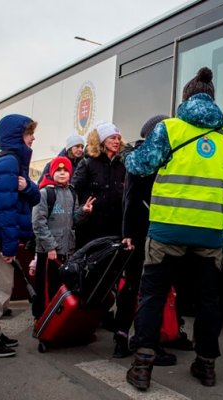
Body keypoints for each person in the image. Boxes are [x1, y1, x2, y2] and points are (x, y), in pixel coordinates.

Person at [124, 67, 223, 390]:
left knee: (152, 294)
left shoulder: (169, 129)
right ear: (212, 99)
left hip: (166, 231)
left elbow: (139, 165)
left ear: (186, 98)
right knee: (209, 300)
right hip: (209, 233)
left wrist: (129, 152)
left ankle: (142, 367)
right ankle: (206, 365)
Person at [114, 114, 190, 365]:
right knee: (139, 285)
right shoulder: (141, 157)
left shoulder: (163, 154)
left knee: (164, 285)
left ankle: (167, 333)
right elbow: (130, 199)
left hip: (160, 230)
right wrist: (128, 234)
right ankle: (124, 337)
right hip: (141, 232)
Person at [0, 114, 41, 358]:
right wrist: (9, 246)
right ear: (16, 136)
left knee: (4, 287)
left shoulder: (14, 162)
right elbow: (5, 210)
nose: (33, 137)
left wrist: (27, 187)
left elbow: (34, 197)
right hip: (0, 238)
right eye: (29, 133)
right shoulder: (8, 163)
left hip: (3, 237)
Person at [31, 156, 94, 319]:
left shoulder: (72, 192)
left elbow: (74, 219)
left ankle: (57, 322)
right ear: (52, 172)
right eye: (58, 170)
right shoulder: (45, 193)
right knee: (45, 290)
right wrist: (50, 247)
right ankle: (42, 321)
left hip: (67, 251)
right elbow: (38, 223)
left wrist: (83, 212)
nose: (62, 173)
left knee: (60, 288)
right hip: (49, 253)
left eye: (65, 170)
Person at [71, 121, 126, 249]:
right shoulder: (87, 163)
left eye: (118, 138)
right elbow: (73, 192)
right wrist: (81, 210)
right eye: (112, 138)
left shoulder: (122, 164)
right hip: (91, 226)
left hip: (115, 226)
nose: (117, 141)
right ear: (101, 140)